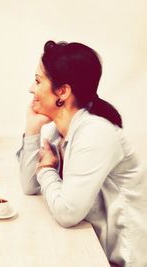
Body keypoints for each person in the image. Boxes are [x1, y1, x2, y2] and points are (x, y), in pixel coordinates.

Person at [16, 40, 147, 267]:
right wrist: (32, 129)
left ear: (63, 92)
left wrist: (47, 169)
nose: (31, 88)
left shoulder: (95, 133)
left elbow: (67, 213)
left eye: (38, 81)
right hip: (88, 246)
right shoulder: (60, 130)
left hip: (122, 260)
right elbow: (29, 186)